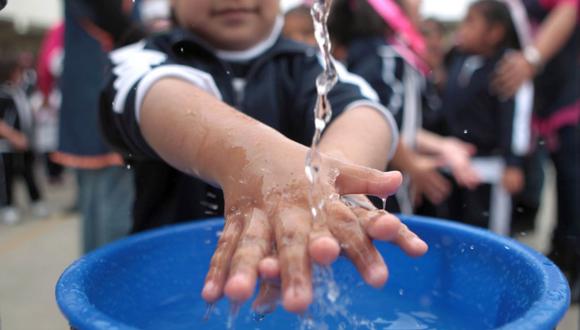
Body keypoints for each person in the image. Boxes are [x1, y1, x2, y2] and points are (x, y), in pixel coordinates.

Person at [100, 0, 428, 313]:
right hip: (167, 282)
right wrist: (262, 162)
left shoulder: (313, 63)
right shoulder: (141, 58)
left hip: (291, 283)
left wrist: (323, 180)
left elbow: (365, 114)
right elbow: (156, 96)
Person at [328, 0, 480, 214]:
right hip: (381, 193)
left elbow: (400, 125)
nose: (420, 4)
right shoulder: (387, 59)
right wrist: (412, 163)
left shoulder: (358, 54)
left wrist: (441, 145)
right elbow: (376, 122)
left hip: (362, 188)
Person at [493, 0, 579, 300]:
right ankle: (561, 253)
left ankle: (574, 263)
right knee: (561, 186)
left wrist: (531, 58)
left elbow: (569, 8)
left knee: (573, 186)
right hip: (546, 104)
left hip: (569, 102)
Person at [53, 0, 143, 253]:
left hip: (86, 102)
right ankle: (111, 278)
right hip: (106, 99)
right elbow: (118, 25)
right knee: (116, 199)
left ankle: (94, 276)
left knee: (93, 201)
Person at [437, 0, 533, 233]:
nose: (462, 28)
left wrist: (514, 162)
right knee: (454, 229)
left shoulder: (507, 66)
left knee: (488, 232)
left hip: (490, 170)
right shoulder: (458, 59)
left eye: (470, 22)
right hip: (455, 163)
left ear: (495, 32)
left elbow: (518, 115)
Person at [0, 52, 48, 224]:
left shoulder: (18, 92)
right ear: (10, 73)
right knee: (7, 177)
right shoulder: (3, 95)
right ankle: (8, 206)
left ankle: (36, 201)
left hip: (25, 142)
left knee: (29, 174)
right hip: (7, 145)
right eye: (18, 72)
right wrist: (14, 137)